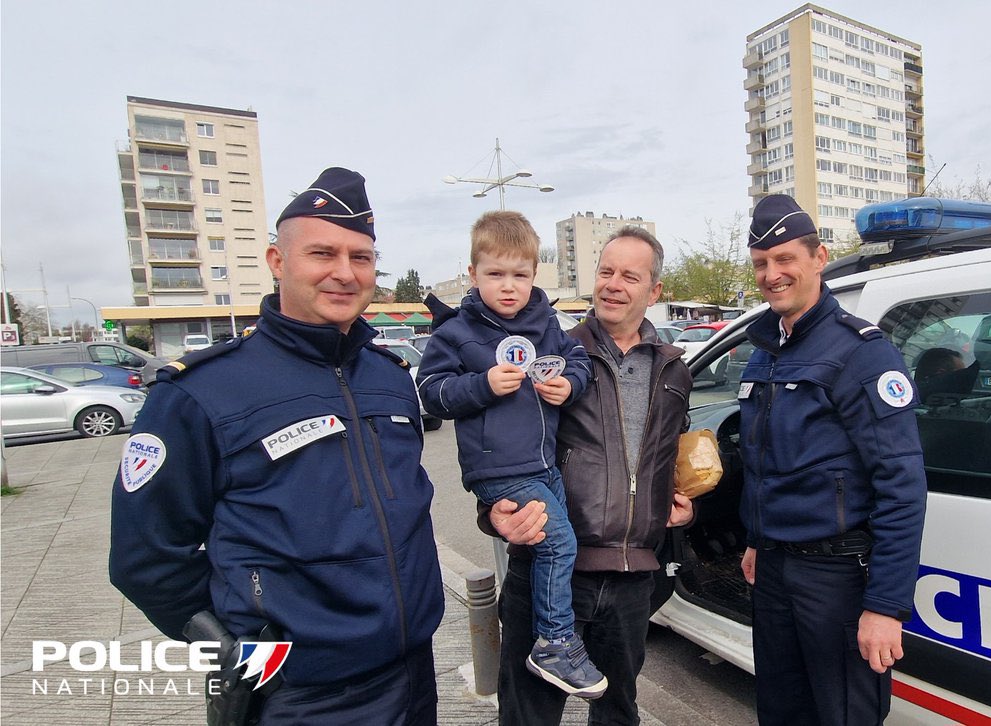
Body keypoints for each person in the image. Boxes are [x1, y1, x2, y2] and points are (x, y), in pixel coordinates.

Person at [109, 167, 444, 724]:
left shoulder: (388, 377)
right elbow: (146, 558)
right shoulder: (201, 391)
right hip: (299, 694)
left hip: (412, 671)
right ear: (277, 262)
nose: (344, 273)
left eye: (360, 257)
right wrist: (249, 647)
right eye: (322, 253)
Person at [484, 226, 695, 725]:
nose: (613, 284)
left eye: (629, 275)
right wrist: (491, 512)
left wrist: (681, 502)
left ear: (654, 291)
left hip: (630, 579)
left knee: (618, 713)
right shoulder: (549, 354)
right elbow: (497, 445)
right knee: (527, 715)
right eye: (606, 271)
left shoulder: (675, 370)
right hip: (548, 571)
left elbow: (667, 458)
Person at [737, 194, 927, 726]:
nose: (772, 274)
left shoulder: (861, 352)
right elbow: (764, 460)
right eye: (761, 264)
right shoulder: (765, 350)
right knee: (780, 710)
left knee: (843, 714)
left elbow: (902, 483)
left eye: (784, 259)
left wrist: (885, 606)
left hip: (838, 577)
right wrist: (756, 537)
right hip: (774, 567)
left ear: (818, 258)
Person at [415, 211, 605, 698]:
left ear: (534, 275)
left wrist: (568, 385)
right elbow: (432, 393)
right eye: (495, 274)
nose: (508, 286)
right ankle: (555, 643)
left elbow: (579, 361)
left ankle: (551, 634)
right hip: (499, 470)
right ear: (474, 273)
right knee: (559, 545)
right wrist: (481, 385)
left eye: (519, 275)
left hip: (543, 464)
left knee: (557, 547)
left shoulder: (548, 325)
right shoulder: (455, 333)